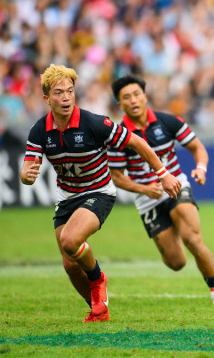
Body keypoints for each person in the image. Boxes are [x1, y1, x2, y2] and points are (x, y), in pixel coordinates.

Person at [20, 64, 181, 323]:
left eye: (70, 91)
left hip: (98, 191)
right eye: (59, 93)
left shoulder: (93, 123)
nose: (65, 98)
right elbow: (27, 169)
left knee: (70, 241)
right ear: (46, 98)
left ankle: (98, 278)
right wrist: (25, 176)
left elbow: (137, 142)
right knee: (70, 265)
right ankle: (98, 308)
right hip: (67, 197)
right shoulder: (39, 130)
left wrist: (163, 173)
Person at [107, 76, 214, 305]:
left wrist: (201, 168)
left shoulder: (167, 121)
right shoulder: (118, 136)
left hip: (176, 186)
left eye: (136, 94)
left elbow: (197, 147)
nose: (133, 100)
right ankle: (175, 229)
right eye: (126, 98)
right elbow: (117, 177)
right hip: (147, 199)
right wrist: (143, 188)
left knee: (193, 238)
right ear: (120, 105)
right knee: (176, 262)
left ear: (145, 96)